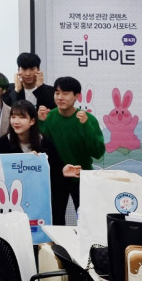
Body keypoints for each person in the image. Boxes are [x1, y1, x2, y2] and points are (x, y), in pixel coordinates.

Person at [0, 100, 82, 221]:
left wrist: (63, 171)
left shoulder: (44, 141)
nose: (16, 121)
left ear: (32, 121)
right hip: (15, 198)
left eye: (22, 117)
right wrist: (26, 160)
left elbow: (54, 169)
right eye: (13, 117)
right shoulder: (4, 143)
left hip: (39, 198)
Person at [37, 76, 105, 224]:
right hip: (56, 178)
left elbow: (98, 152)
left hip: (82, 177)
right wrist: (41, 123)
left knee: (87, 220)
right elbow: (42, 149)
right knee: (55, 219)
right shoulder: (48, 117)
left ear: (77, 96)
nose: (60, 97)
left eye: (65, 93)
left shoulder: (88, 119)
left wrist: (86, 126)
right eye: (57, 93)